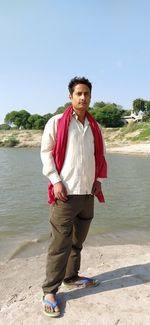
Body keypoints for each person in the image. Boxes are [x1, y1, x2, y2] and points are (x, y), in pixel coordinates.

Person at [40, 76, 107, 317]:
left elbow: (100, 156)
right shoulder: (57, 122)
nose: (83, 97)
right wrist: (56, 180)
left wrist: (98, 181)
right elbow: (46, 153)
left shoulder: (95, 127)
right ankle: (49, 291)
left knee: (78, 241)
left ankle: (71, 276)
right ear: (70, 97)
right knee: (60, 244)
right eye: (78, 93)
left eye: (87, 94)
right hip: (65, 193)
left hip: (87, 193)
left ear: (90, 97)